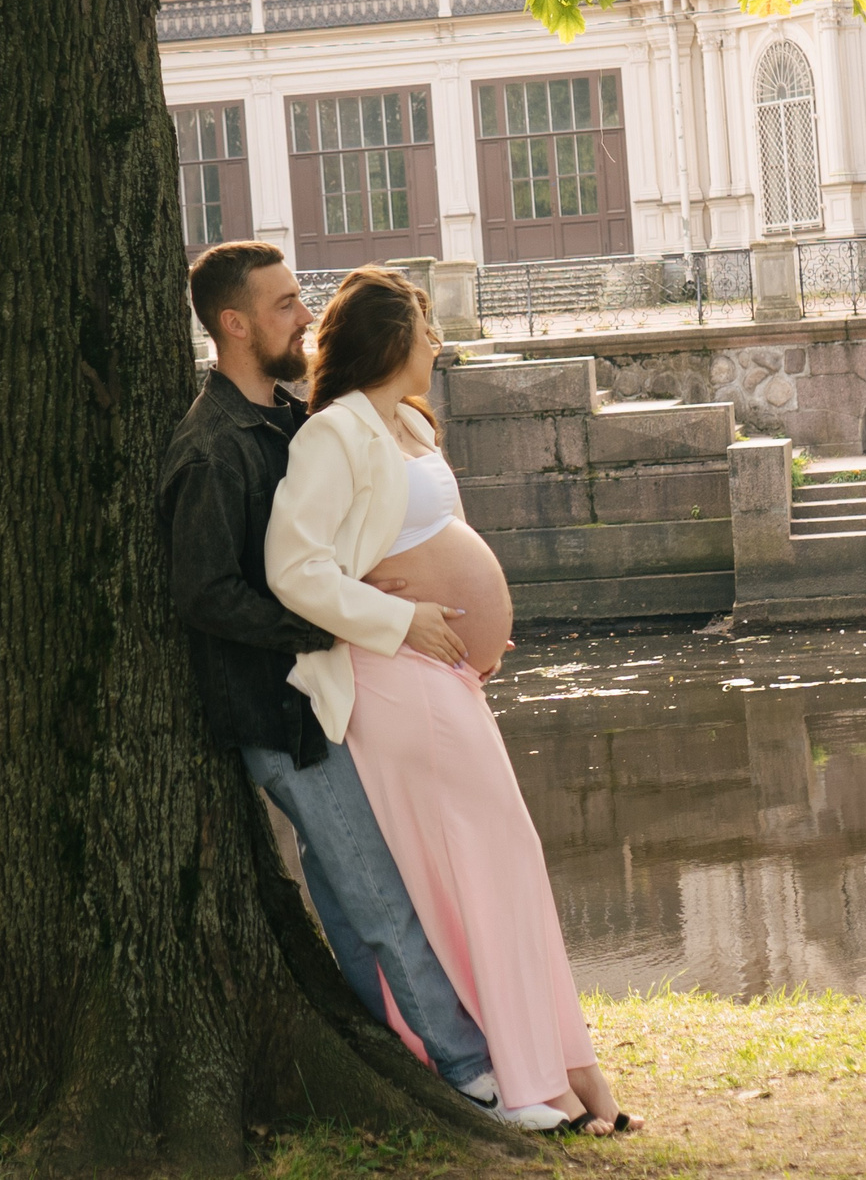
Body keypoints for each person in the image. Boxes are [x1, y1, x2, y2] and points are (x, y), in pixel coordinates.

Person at [265, 268, 638, 1136]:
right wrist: (401, 616)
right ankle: (514, 1077)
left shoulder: (405, 423)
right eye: (427, 329)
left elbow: (427, 537)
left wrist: (475, 627)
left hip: (442, 676)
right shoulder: (333, 435)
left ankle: (566, 1072)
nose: (437, 344)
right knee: (475, 862)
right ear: (393, 339)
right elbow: (295, 569)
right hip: (392, 679)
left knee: (501, 857)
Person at [156, 242, 514, 1126]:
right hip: (279, 712)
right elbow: (204, 594)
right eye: (284, 305)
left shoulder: (282, 417)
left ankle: (389, 1041)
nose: (305, 317)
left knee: (347, 895)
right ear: (233, 323)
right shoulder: (211, 449)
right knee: (376, 890)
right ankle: (472, 1072)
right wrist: (334, 617)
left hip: (326, 692)